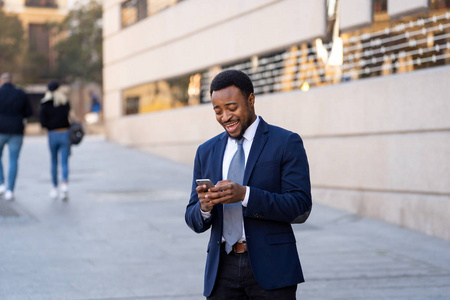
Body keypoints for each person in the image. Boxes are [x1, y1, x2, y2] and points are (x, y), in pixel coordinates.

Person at [185, 70, 312, 299]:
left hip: (272, 269)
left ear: (251, 100)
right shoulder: (206, 151)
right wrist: (204, 208)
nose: (225, 117)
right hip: (221, 271)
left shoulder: (285, 142)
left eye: (232, 108)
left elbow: (300, 205)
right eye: (218, 111)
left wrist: (245, 195)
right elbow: (192, 217)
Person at [0, 73, 33, 200]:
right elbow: (29, 112)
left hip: (1, 129)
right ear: (12, 82)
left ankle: (1, 183)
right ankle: (10, 190)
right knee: (14, 160)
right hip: (16, 130)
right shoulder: (20, 93)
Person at [39, 81, 71, 200]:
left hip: (52, 134)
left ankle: (54, 187)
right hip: (64, 133)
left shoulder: (45, 104)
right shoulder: (64, 102)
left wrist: (49, 125)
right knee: (64, 162)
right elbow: (68, 115)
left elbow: (42, 121)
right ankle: (64, 184)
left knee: (53, 161)